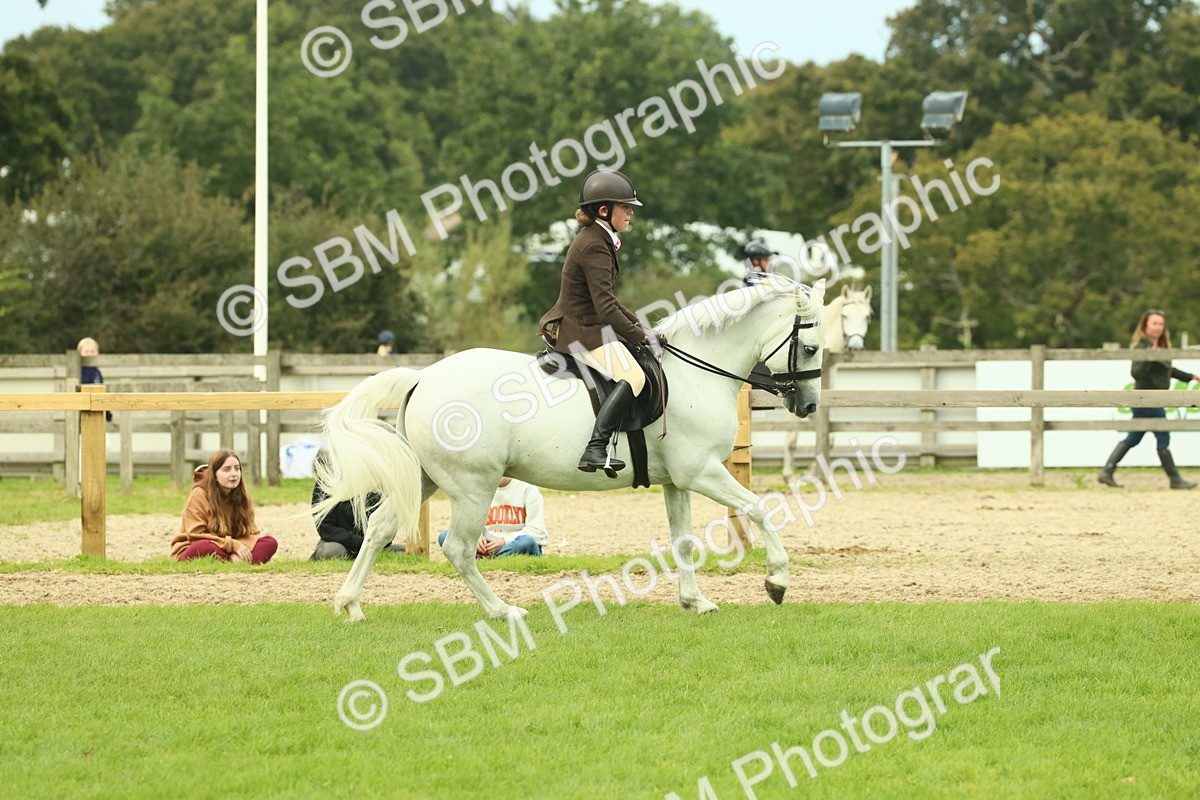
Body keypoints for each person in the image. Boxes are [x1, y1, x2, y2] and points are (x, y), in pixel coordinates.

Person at [537, 168, 652, 476]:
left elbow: (610, 300)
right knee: (636, 377)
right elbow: (604, 307)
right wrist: (638, 335)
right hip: (584, 331)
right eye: (625, 206)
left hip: (589, 325)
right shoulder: (594, 245)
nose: (630, 212)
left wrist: (641, 328)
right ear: (604, 210)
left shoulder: (598, 238)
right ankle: (596, 447)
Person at [1098, 309, 1199, 489]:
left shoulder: (1161, 347)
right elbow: (1135, 373)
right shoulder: (1141, 347)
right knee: (1163, 436)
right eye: (1154, 323)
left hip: (1155, 399)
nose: (1158, 328)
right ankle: (1175, 479)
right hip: (1147, 399)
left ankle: (1107, 471)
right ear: (1145, 326)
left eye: (1161, 324)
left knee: (1133, 437)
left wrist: (1190, 376)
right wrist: (1148, 357)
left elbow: (1169, 370)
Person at [170, 450, 279, 562]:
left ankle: (232, 561)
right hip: (198, 547)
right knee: (204, 546)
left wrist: (239, 548)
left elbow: (252, 533)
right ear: (215, 475)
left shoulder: (243, 495)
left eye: (237, 468)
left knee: (270, 542)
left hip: (231, 549)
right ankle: (239, 561)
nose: (234, 474)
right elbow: (195, 536)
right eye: (226, 469)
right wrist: (232, 545)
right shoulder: (199, 494)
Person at [309, 450, 406, 559]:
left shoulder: (376, 480)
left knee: (406, 551)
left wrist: (375, 542)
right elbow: (325, 528)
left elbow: (386, 519)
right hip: (339, 543)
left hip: (372, 544)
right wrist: (358, 542)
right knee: (332, 552)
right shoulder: (328, 481)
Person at [438, 477, 548, 557]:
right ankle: (491, 558)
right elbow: (467, 523)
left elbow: (538, 532)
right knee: (446, 536)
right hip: (486, 547)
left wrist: (504, 541)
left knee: (527, 542)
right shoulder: (479, 489)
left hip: (514, 544)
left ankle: (487, 560)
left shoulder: (528, 488)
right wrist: (474, 535)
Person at [77, 337, 112, 422]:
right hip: (82, 412)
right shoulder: (78, 372)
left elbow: (102, 391)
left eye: (92, 351)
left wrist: (107, 412)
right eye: (86, 352)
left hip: (97, 411)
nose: (90, 354)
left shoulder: (98, 372)